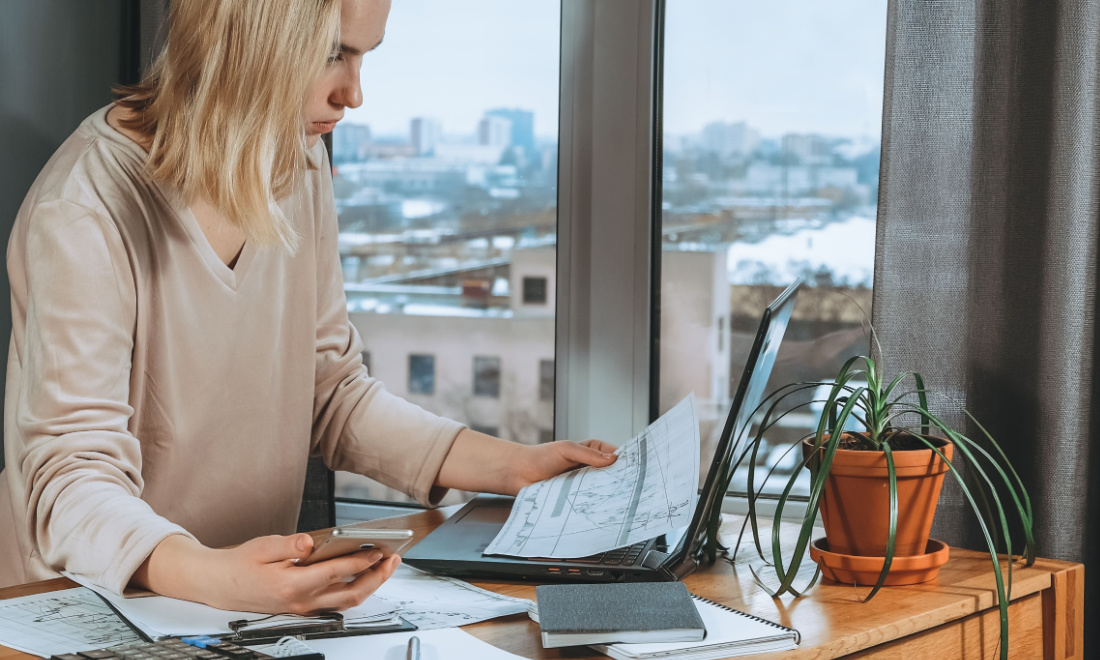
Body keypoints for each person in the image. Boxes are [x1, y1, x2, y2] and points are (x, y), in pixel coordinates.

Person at [0, 0, 616, 615]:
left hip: (242, 603)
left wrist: (515, 467)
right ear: (250, 38)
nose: (353, 94)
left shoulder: (298, 159)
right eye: (334, 55)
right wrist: (216, 576)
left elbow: (331, 390)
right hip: (79, 606)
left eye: (363, 57)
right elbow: (70, 480)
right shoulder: (85, 210)